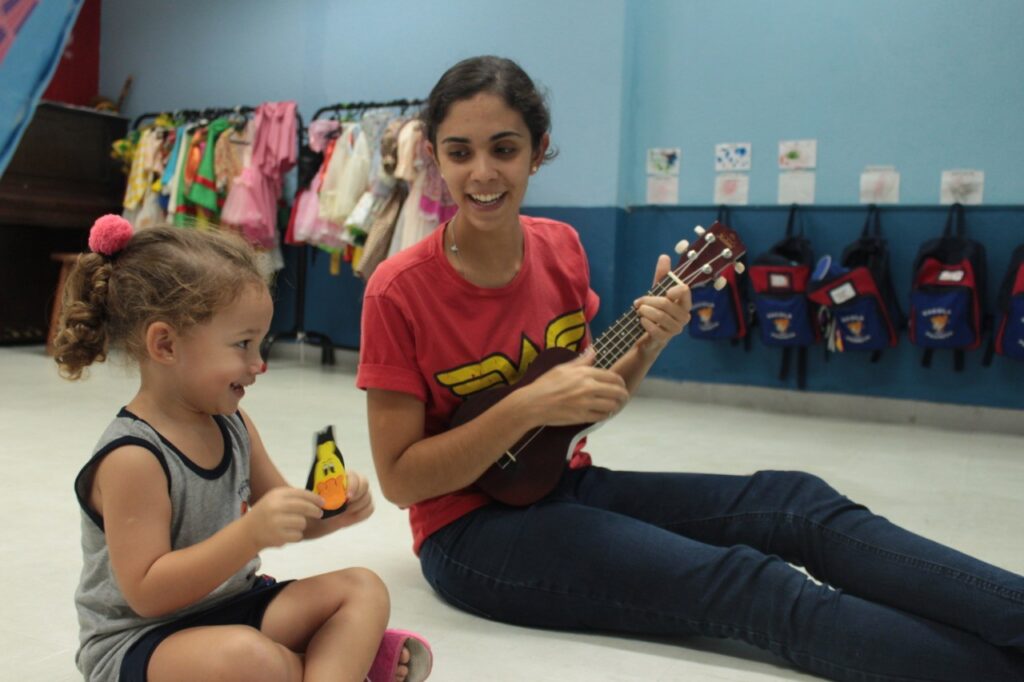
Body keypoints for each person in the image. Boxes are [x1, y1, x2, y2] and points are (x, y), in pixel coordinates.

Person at [356, 55, 1024, 681]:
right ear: (434, 157)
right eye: (459, 152)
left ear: (537, 150)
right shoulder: (398, 290)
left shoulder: (561, 249)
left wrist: (649, 345)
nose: (482, 173)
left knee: (796, 503)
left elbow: (585, 405)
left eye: (504, 148)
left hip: (560, 482)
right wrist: (524, 407)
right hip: (470, 535)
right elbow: (401, 480)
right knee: (752, 586)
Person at [57, 217, 432, 682]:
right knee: (250, 659)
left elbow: (289, 518)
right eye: (242, 345)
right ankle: (344, 667)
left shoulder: (233, 425)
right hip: (141, 641)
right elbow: (148, 593)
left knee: (363, 588)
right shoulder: (132, 457)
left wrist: (332, 509)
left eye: (260, 343)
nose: (259, 364)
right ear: (166, 344)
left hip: (232, 607)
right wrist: (250, 534)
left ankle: (331, 669)